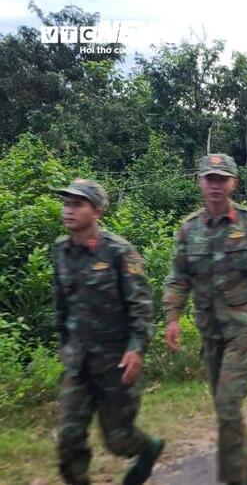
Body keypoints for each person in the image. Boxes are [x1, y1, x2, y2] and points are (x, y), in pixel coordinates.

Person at [163, 154, 247, 485]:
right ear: (200, 182)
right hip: (210, 330)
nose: (215, 184)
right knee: (226, 409)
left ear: (233, 182)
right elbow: (178, 277)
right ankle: (245, 463)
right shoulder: (189, 229)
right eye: (210, 178)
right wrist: (173, 317)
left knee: (228, 404)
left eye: (222, 178)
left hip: (244, 326)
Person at [52, 179, 163, 485]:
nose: (69, 210)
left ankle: (150, 449)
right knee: (68, 437)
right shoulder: (60, 251)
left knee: (118, 441)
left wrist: (136, 348)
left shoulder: (118, 252)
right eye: (67, 203)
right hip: (79, 362)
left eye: (78, 204)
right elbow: (61, 303)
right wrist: (63, 342)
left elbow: (141, 306)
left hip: (116, 362)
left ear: (97, 211)